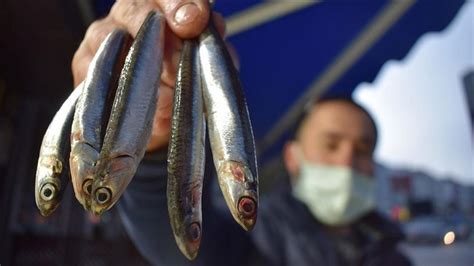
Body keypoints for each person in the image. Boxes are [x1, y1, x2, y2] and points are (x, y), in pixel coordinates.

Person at [71, 1, 412, 265]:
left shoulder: (395, 256)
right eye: (331, 144)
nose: (348, 160)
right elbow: (182, 248)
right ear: (292, 156)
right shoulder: (251, 241)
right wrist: (153, 146)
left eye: (364, 148)